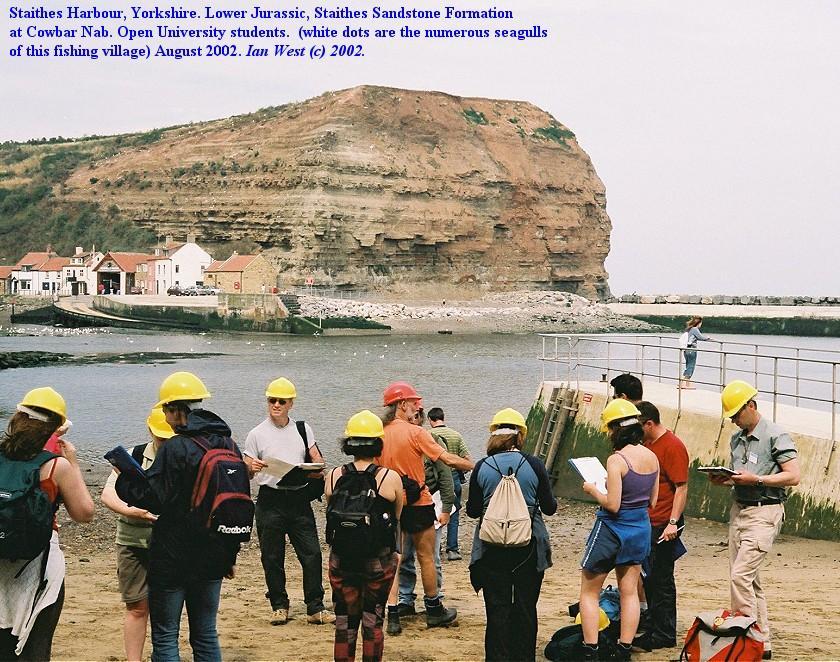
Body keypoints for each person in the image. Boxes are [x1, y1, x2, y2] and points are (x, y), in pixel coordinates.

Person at [116, 371, 244, 662]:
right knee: (206, 634)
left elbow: (154, 500)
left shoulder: (175, 447)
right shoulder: (229, 445)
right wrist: (229, 555)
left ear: (177, 410)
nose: (164, 415)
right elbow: (234, 502)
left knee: (165, 635)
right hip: (215, 551)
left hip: (173, 554)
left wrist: (128, 478)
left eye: (165, 408)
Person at [0, 387, 95, 660]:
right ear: (53, 430)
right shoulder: (56, 467)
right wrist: (73, 463)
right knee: (35, 644)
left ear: (17, 417)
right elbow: (84, 513)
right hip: (37, 564)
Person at [377, 381, 473, 635]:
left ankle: (394, 614)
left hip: (388, 501)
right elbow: (445, 458)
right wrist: (473, 465)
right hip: (418, 502)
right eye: (413, 402)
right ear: (401, 404)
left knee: (392, 559)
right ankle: (433, 609)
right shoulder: (417, 433)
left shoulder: (379, 432)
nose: (417, 406)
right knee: (427, 557)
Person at [712, 380, 800, 660]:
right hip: (740, 509)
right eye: (732, 417)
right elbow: (741, 475)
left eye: (738, 415)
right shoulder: (736, 439)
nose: (736, 421)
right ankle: (763, 642)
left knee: (740, 576)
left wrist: (758, 479)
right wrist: (725, 480)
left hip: (765, 511)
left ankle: (746, 635)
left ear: (751, 405)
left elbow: (793, 475)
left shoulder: (776, 434)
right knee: (750, 580)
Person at [466, 408, 557, 662]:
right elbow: (549, 509)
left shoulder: (482, 466)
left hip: (491, 547)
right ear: (520, 436)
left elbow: (473, 511)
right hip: (528, 546)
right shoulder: (534, 464)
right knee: (526, 607)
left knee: (496, 608)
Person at [242, 378, 334, 626]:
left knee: (312, 554)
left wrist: (315, 468)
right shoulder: (256, 434)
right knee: (272, 557)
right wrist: (252, 467)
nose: (276, 405)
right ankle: (279, 606)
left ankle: (315, 607)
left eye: (281, 401)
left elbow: (317, 460)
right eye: (272, 400)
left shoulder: (303, 429)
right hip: (269, 499)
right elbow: (246, 470)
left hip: (298, 498)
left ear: (291, 404)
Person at [577, 399, 659, 661]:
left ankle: (591, 649)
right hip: (639, 529)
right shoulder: (652, 457)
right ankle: (624, 649)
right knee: (629, 591)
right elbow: (653, 501)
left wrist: (593, 490)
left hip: (612, 529)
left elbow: (612, 504)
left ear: (615, 430)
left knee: (589, 591)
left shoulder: (616, 460)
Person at [325, 410, 404, 662]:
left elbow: (330, 506)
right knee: (373, 620)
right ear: (378, 444)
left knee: (344, 622)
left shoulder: (334, 475)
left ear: (348, 444)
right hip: (378, 560)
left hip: (342, 557)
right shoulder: (388, 478)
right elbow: (397, 516)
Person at [101, 407, 174, 662]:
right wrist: (133, 511)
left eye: (170, 438)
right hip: (132, 541)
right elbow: (108, 494)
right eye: (161, 437)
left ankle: (163, 655)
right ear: (150, 430)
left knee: (165, 609)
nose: (164, 443)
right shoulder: (133, 455)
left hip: (168, 543)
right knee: (136, 606)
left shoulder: (181, 457)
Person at [634, 401, 689, 651]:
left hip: (665, 521)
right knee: (649, 577)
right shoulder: (647, 444)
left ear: (649, 423)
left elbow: (681, 487)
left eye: (638, 426)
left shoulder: (672, 446)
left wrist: (673, 523)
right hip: (649, 520)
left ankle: (664, 632)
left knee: (662, 579)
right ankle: (655, 626)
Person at [396, 408, 454, 617]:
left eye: (416, 417)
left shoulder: (431, 441)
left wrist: (446, 509)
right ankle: (405, 599)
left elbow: (446, 477)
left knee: (431, 556)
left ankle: (434, 599)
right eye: (409, 417)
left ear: (422, 419)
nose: (412, 420)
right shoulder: (398, 441)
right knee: (403, 557)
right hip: (403, 505)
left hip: (429, 503)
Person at [427, 407, 472, 561]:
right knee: (454, 513)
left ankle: (436, 546)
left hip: (433, 482)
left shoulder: (428, 436)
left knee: (432, 513)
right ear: (443, 418)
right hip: (453, 478)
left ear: (430, 420)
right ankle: (453, 549)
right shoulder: (456, 435)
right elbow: (467, 460)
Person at [679, 316, 713, 389]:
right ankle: (683, 383)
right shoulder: (695, 329)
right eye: (701, 323)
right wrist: (708, 338)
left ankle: (685, 384)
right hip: (692, 350)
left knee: (688, 366)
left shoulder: (689, 329)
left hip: (686, 350)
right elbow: (701, 337)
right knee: (691, 366)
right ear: (699, 323)